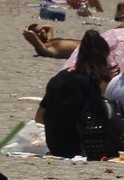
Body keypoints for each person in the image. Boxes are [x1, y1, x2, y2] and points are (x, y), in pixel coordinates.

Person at [34, 30, 114, 158]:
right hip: (75, 147)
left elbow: (39, 117)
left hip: (53, 144)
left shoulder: (59, 77)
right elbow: (97, 121)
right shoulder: (89, 83)